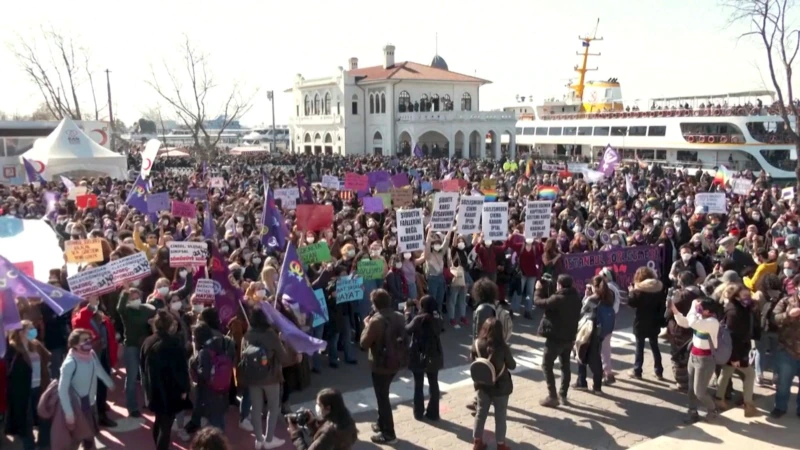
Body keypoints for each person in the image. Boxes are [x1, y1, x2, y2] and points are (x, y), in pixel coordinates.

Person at [359, 289, 407, 444]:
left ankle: (389, 434)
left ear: (375, 304)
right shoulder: (399, 316)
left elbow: (363, 343)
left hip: (380, 365)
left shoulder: (375, 321)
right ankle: (381, 423)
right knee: (383, 394)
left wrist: (366, 325)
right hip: (396, 361)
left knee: (382, 399)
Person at [240, 308, 291, 449]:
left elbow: (242, 357)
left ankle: (258, 439)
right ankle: (269, 439)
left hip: (253, 378)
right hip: (271, 377)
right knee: (273, 408)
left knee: (255, 408)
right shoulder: (271, 335)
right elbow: (284, 358)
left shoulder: (247, 335)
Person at [141, 309, 192, 450]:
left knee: (159, 421)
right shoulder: (174, 344)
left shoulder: (148, 341)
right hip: (170, 392)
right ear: (170, 326)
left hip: (153, 389)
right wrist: (184, 389)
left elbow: (142, 365)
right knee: (166, 427)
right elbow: (181, 370)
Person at [58, 328, 116, 449]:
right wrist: (69, 414)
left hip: (90, 404)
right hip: (76, 408)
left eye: (89, 339)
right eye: (84, 340)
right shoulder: (70, 363)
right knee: (76, 439)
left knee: (89, 436)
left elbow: (98, 369)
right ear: (74, 344)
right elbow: (62, 390)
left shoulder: (91, 354)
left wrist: (109, 382)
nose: (89, 342)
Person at [670, 298, 721, 424]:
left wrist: (693, 305)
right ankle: (692, 411)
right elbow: (686, 322)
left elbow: (693, 323)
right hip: (693, 356)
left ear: (708, 311)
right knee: (691, 389)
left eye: (701, 308)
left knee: (700, 392)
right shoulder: (700, 317)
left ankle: (712, 409)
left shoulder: (713, 322)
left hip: (705, 360)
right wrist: (674, 310)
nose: (698, 309)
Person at [534, 274, 581, 407]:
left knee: (546, 365)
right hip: (569, 337)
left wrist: (538, 290)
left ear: (559, 285)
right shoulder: (576, 298)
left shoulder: (558, 299)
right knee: (565, 366)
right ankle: (563, 395)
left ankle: (552, 396)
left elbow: (539, 302)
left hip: (555, 338)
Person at [4, 320, 51, 450]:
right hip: (23, 391)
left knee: (44, 417)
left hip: (39, 387)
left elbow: (47, 357)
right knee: (27, 420)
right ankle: (29, 446)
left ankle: (44, 443)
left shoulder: (35, 344)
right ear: (21, 333)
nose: (33, 331)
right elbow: (10, 370)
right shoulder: (13, 349)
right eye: (30, 329)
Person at [714, 284, 759, 417]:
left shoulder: (741, 308)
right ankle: (748, 404)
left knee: (726, 373)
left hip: (737, 349)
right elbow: (732, 336)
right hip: (736, 350)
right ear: (737, 296)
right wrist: (734, 357)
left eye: (748, 295)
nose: (748, 298)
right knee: (749, 374)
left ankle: (719, 399)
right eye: (745, 296)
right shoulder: (734, 312)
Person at [471, 318, 515, 450]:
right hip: (500, 387)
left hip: (482, 385)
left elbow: (473, 360)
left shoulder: (477, 343)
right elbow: (512, 365)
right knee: (500, 416)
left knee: (480, 413)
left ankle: (477, 442)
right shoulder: (502, 347)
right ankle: (501, 445)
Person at [117, 286, 157, 418]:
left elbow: (157, 314)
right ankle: (132, 406)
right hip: (131, 347)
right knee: (132, 376)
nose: (135, 300)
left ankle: (149, 401)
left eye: (137, 297)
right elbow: (119, 308)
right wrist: (125, 292)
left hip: (144, 345)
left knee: (146, 375)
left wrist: (153, 322)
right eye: (132, 298)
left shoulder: (146, 309)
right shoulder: (126, 311)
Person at [406, 295, 443, 421]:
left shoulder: (418, 319)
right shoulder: (437, 317)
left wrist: (407, 315)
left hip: (419, 354)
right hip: (434, 354)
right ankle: (433, 413)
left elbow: (407, 330)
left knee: (419, 384)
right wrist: (420, 308)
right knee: (434, 383)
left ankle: (418, 412)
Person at [575, 276, 615, 393]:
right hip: (602, 332)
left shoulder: (592, 299)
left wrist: (586, 297)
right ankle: (596, 385)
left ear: (595, 287)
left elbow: (582, 312)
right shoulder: (609, 297)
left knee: (581, 353)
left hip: (589, 332)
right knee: (596, 356)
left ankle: (582, 382)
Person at [627, 267, 666, 380]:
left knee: (639, 347)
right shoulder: (659, 289)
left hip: (641, 322)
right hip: (654, 321)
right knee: (655, 346)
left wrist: (631, 292)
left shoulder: (638, 291)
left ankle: (637, 370)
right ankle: (659, 370)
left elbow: (631, 303)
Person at [288, 388, 359, 450]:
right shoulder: (346, 420)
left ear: (328, 408)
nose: (317, 407)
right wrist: (312, 423)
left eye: (319, 405)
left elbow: (325, 439)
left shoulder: (329, 433)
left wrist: (295, 433)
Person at [768, 288, 800, 418]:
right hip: (787, 350)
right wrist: (788, 314)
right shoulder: (786, 301)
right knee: (783, 383)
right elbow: (774, 318)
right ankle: (780, 407)